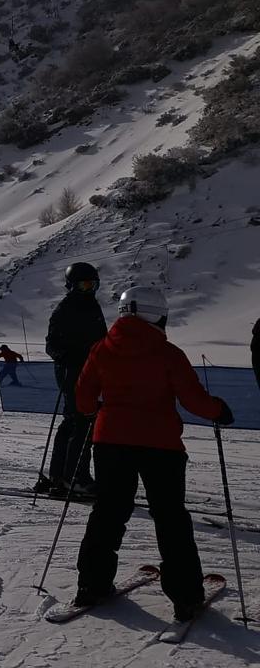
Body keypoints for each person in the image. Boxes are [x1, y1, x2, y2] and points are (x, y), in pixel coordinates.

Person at [70, 287, 234, 620]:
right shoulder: (167, 353)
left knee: (108, 512)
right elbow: (193, 399)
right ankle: (186, 597)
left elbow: (84, 401)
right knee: (170, 517)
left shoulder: (101, 350)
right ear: (155, 314)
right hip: (161, 446)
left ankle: (92, 584)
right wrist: (218, 410)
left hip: (110, 443)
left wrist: (99, 409)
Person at [41, 262, 108, 496]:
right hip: (72, 373)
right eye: (85, 284)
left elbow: (102, 338)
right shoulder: (66, 309)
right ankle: (74, 477)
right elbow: (51, 345)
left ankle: (59, 474)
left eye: (93, 284)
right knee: (82, 423)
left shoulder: (92, 306)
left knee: (73, 422)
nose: (90, 289)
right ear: (72, 285)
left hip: (91, 372)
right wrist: (68, 356)